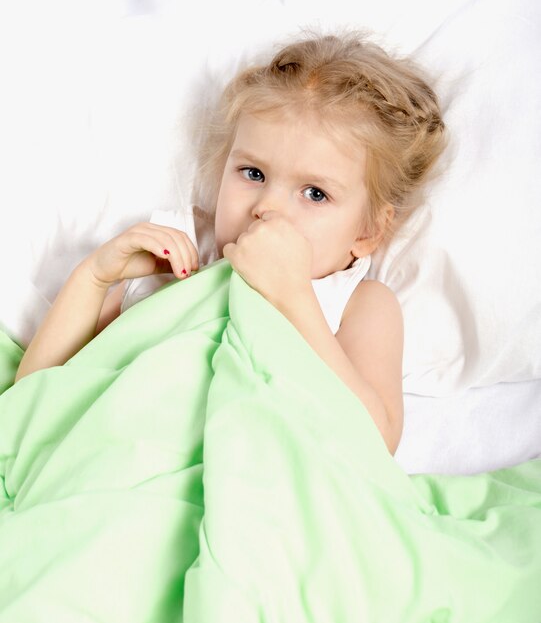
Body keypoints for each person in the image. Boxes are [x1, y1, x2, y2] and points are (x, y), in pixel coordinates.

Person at [15, 30, 446, 455]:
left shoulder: (356, 303)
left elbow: (376, 443)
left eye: (315, 193)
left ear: (367, 232)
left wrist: (293, 299)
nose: (267, 208)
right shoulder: (177, 261)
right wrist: (93, 278)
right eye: (253, 174)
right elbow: (33, 398)